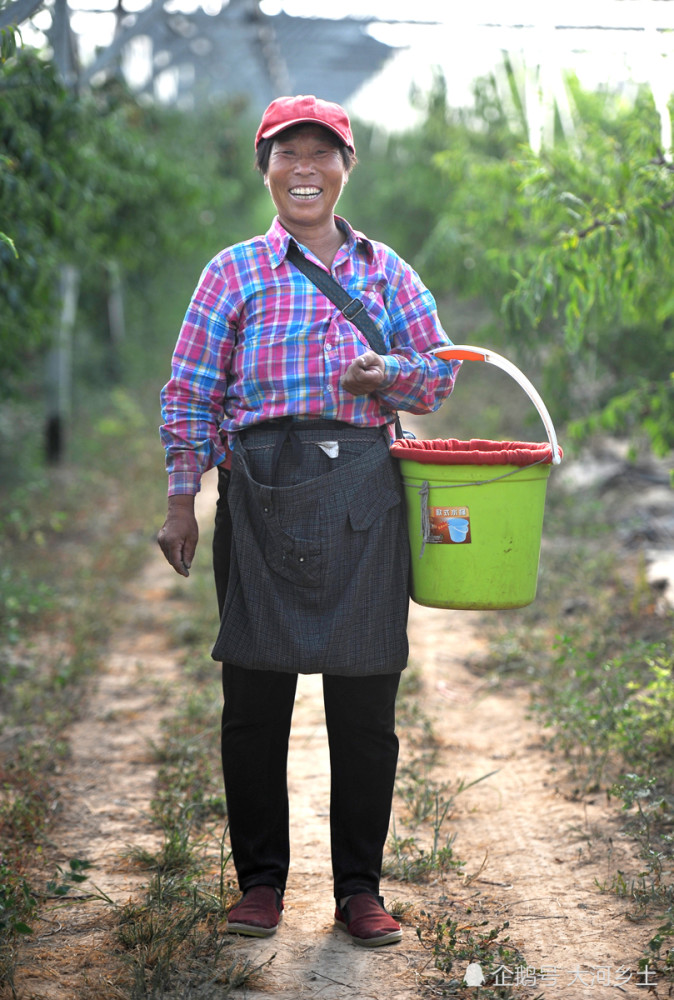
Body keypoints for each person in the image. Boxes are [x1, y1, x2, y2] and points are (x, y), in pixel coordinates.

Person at [157, 94, 460, 948]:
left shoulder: (386, 271)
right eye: (286, 154)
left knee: (365, 703)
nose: (304, 169)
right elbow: (190, 393)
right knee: (254, 701)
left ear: (345, 169)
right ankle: (260, 884)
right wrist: (183, 499)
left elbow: (438, 377)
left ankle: (361, 891)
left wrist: (386, 376)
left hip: (364, 497)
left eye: (321, 154)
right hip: (257, 494)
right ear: (265, 170)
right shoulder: (233, 273)